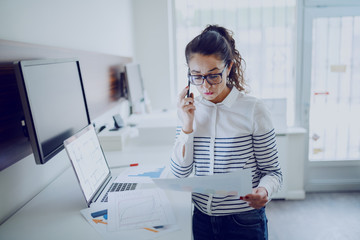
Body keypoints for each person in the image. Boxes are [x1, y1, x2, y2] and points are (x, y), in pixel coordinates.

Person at [170, 25, 283, 240]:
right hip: (201, 219)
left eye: (213, 75)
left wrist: (265, 191)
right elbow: (179, 173)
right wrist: (187, 125)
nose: (205, 86)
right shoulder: (190, 110)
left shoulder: (253, 109)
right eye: (196, 76)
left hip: (244, 221)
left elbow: (273, 172)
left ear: (229, 67)